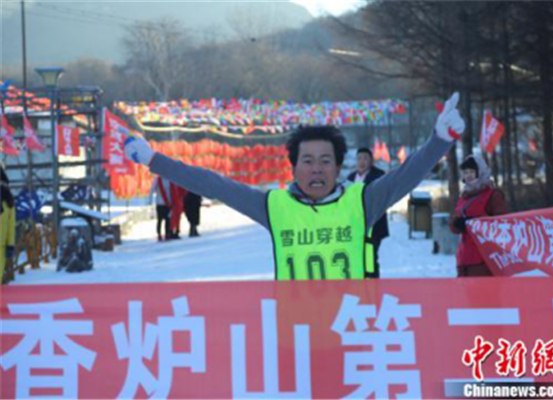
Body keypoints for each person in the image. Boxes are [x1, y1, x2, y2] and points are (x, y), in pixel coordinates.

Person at [126, 93, 465, 280]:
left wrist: (439, 140)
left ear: (338, 166)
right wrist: (155, 160)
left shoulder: (361, 201)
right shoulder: (275, 207)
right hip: (294, 334)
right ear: (294, 167)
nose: (316, 169)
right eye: (308, 160)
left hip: (354, 328)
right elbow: (214, 185)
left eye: (325, 160)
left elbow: (407, 175)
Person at [449, 154, 509, 277]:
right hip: (463, 259)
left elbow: (503, 225)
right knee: (464, 295)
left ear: (480, 172)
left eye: (472, 171)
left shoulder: (493, 195)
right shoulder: (464, 197)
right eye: (465, 172)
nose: (468, 175)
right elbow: (453, 223)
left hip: (484, 260)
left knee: (485, 296)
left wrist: (475, 223)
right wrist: (456, 224)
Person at [346, 148, 389, 278]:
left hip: (374, 224)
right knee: (358, 257)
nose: (362, 161)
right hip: (355, 225)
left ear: (371, 161)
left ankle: (373, 287)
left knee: (370, 258)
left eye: (365, 158)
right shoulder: (351, 178)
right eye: (359, 158)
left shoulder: (379, 176)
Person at [0, 165, 16, 284]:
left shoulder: (9, 201)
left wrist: (10, 244)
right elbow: (11, 225)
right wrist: (10, 244)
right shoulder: (9, 201)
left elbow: (11, 224)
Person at [149, 175, 174, 241]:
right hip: (160, 203)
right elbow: (152, 190)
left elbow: (172, 191)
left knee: (167, 219)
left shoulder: (169, 179)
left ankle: (167, 234)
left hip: (168, 203)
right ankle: (159, 234)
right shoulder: (157, 179)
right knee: (160, 220)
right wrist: (150, 201)